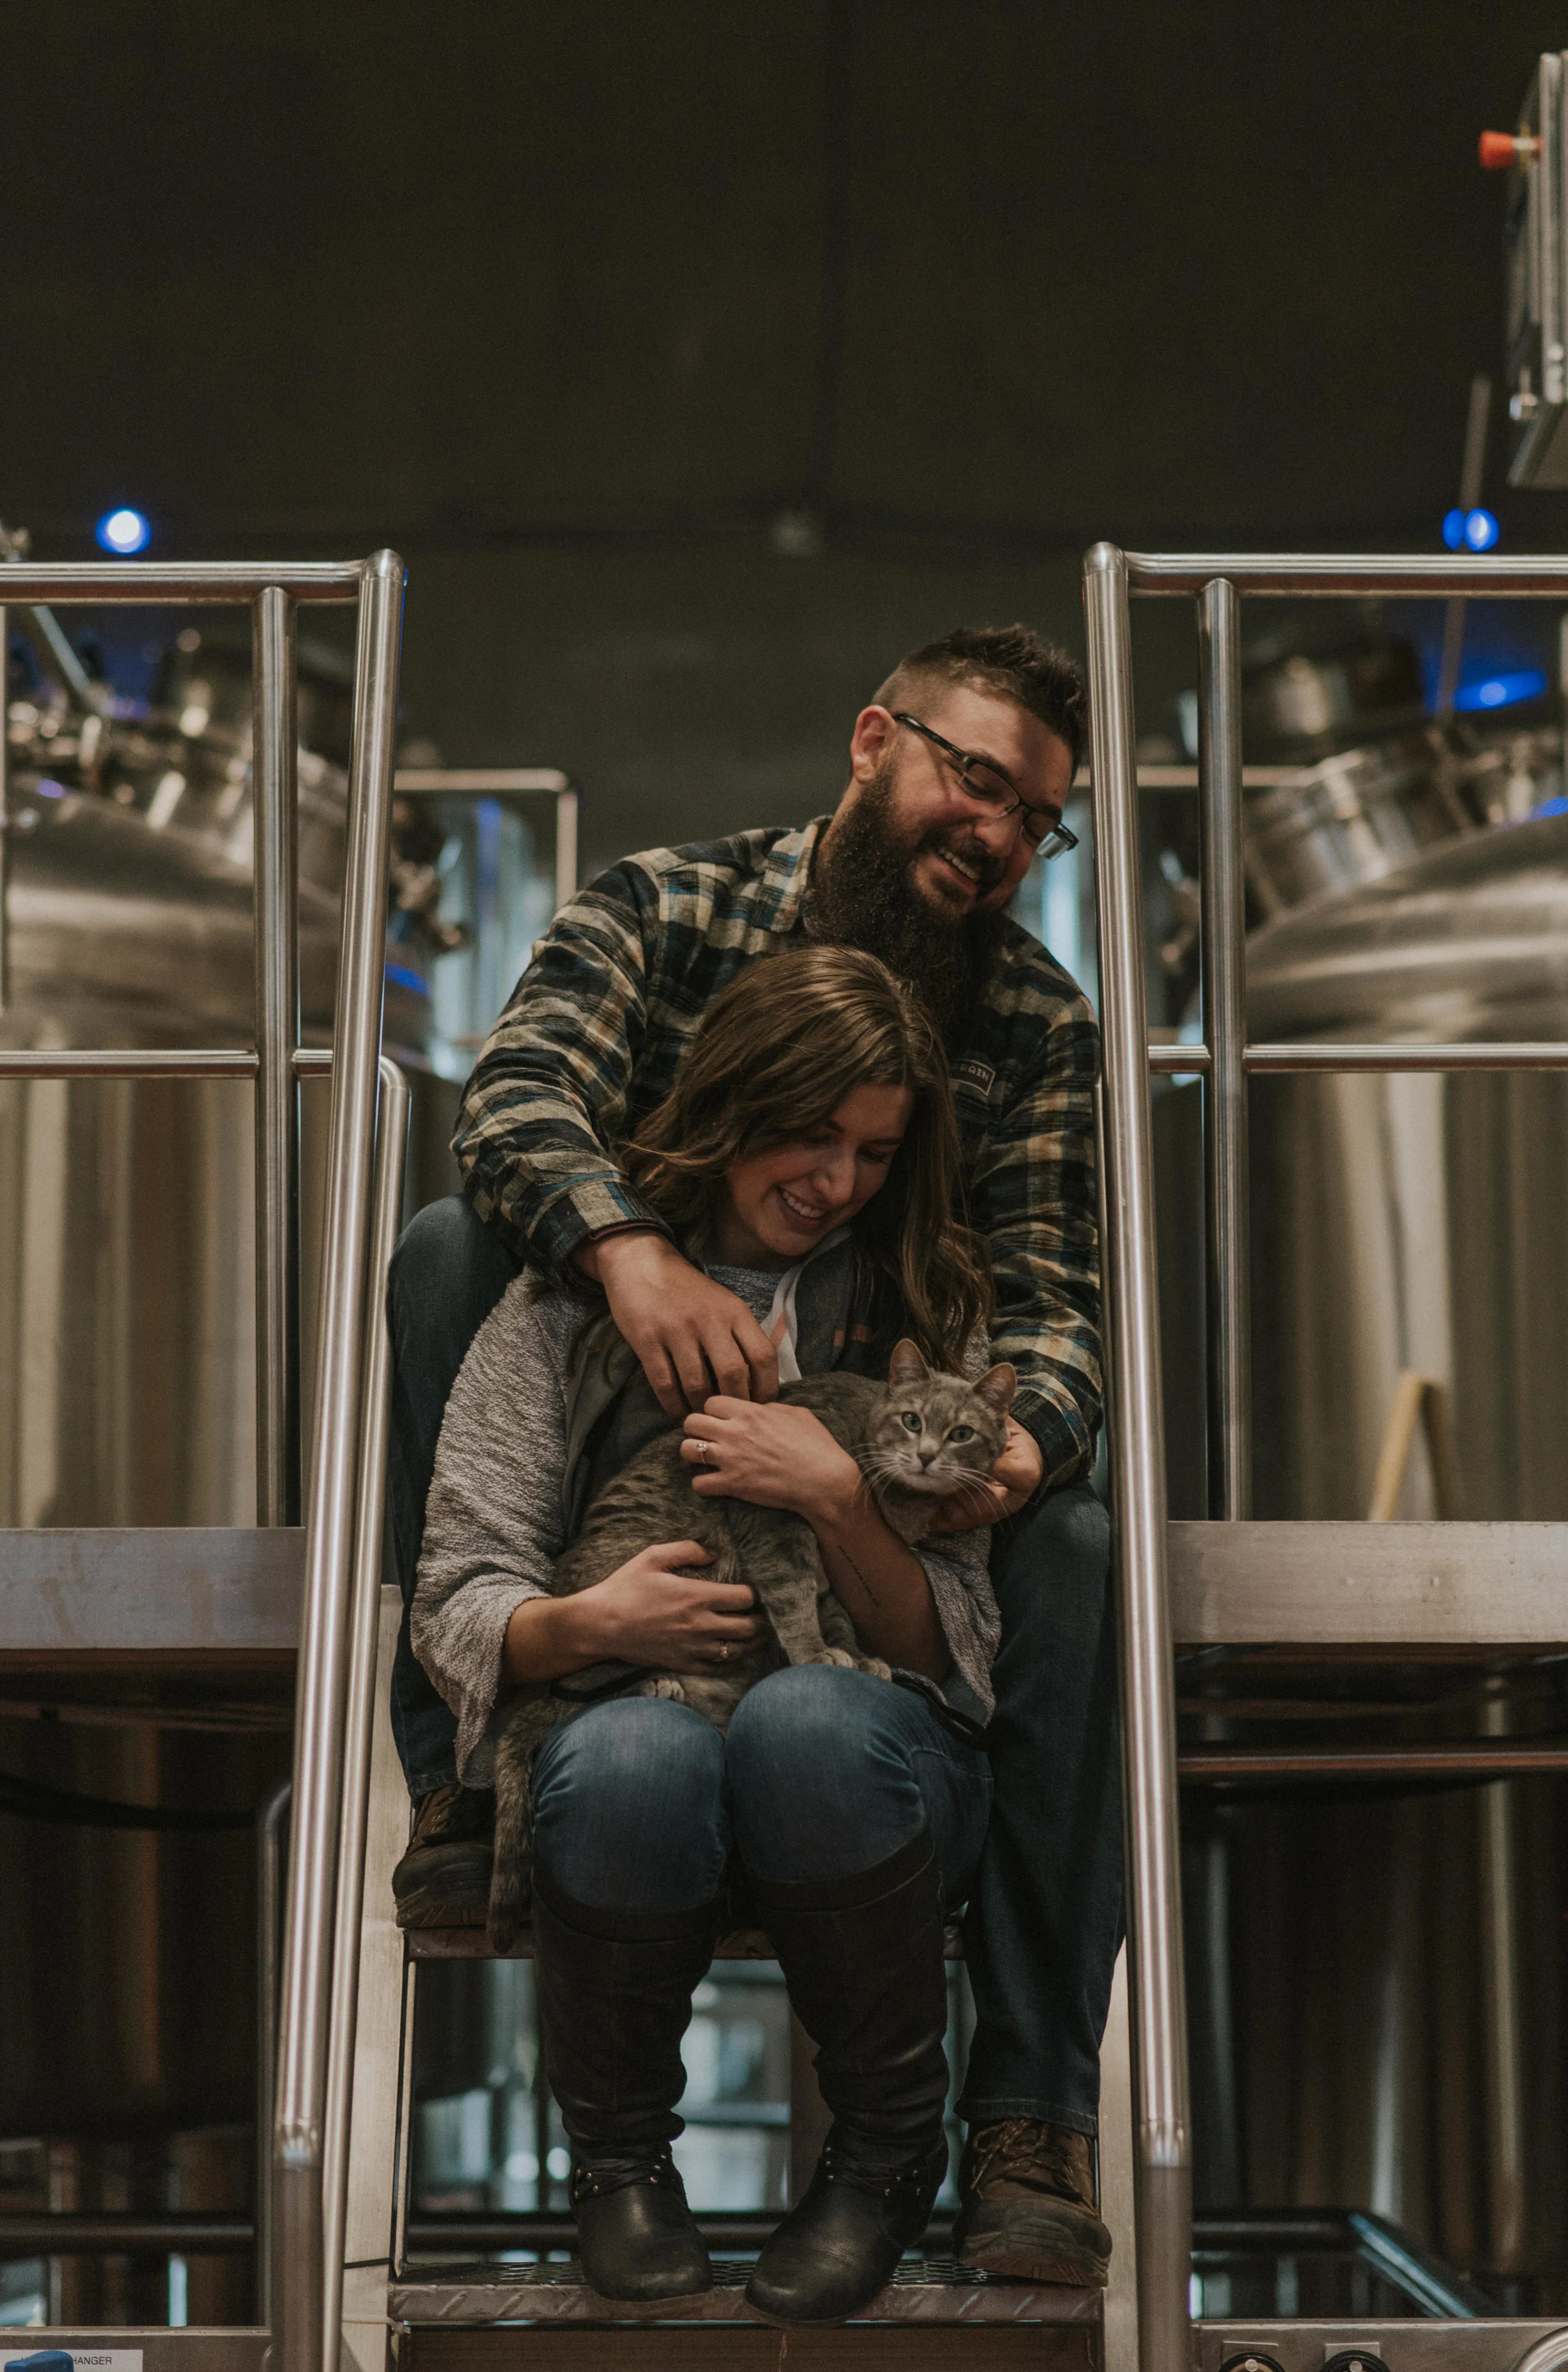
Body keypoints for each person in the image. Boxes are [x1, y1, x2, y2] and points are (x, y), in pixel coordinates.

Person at [386, 623, 1119, 2289]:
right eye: (974, 777)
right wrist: (629, 1259)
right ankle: (464, 1778)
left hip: (880, 1521)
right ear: (874, 739)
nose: (997, 833)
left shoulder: (1028, 1016)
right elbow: (515, 1099)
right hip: (606, 1410)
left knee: (1072, 1541)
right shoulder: (668, 907)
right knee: (446, 1244)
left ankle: (1020, 2115)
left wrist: (1010, 1440)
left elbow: (1052, 1297)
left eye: (1034, 818)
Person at [413, 948, 1004, 2321]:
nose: (837, 1181)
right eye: (811, 1133)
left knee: (812, 1719)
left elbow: (953, 1653)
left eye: (874, 1151)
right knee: (633, 1755)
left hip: (863, 1778)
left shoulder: (925, 1307)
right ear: (734, 1100)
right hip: (636, 1725)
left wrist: (839, 1497)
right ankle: (618, 2165)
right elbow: (454, 1598)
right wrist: (590, 1621)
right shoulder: (561, 1306)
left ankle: (882, 2160)